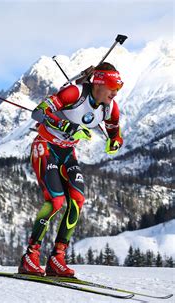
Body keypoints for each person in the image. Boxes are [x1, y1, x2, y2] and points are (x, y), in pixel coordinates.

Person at [19, 62, 124, 277]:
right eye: (113, 87)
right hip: (46, 146)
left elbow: (114, 129)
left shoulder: (110, 107)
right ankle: (30, 256)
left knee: (77, 199)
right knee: (55, 201)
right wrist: (64, 126)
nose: (115, 93)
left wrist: (115, 141)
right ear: (99, 83)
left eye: (118, 88)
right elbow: (39, 113)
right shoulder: (74, 93)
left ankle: (57, 258)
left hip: (68, 153)